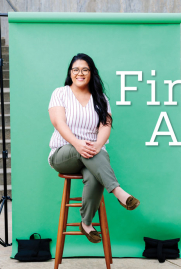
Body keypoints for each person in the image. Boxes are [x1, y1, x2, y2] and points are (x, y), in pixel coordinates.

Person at [48, 53, 140, 243]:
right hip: (64, 153)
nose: (79, 73)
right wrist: (77, 143)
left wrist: (97, 145)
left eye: (84, 69)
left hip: (92, 154)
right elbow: (59, 122)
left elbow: (105, 126)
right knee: (88, 153)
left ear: (91, 73)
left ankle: (86, 223)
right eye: (75, 70)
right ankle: (118, 191)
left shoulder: (101, 98)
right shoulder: (60, 93)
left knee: (95, 175)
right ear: (70, 73)